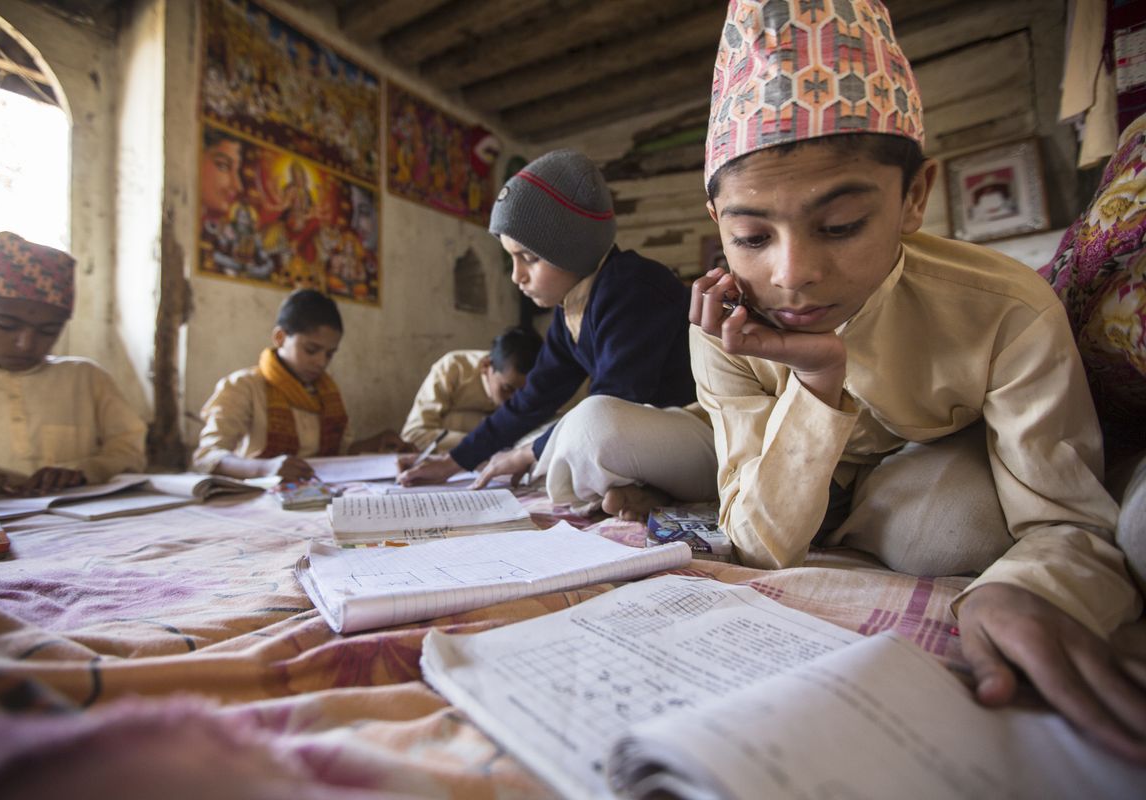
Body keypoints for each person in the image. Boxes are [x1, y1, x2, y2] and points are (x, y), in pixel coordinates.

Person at [689, 0, 1145, 763]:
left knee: (959, 524)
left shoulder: (1005, 309)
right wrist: (816, 377)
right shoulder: (723, 320)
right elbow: (759, 544)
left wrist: (1032, 588)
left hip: (918, 466)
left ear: (914, 198)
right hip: (788, 459)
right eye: (750, 235)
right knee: (605, 430)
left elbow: (1066, 517)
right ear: (718, 223)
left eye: (840, 226)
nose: (792, 275)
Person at [398, 149, 716, 516]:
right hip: (652, 450)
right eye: (512, 259)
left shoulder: (633, 286)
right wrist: (453, 461)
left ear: (572, 250)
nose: (516, 276)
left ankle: (665, 491)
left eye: (529, 258)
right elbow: (531, 400)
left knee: (590, 423)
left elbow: (618, 398)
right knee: (543, 435)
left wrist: (525, 454)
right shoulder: (570, 311)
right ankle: (653, 493)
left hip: (704, 437)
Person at [0, 232, 147, 504]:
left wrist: (84, 471)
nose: (25, 344)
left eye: (48, 330)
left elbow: (130, 452)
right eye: (6, 325)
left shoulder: (86, 378)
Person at [192, 288, 408, 481]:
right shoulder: (244, 386)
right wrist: (264, 469)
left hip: (318, 492)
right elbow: (207, 456)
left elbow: (336, 454)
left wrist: (377, 442)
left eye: (330, 354)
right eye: (311, 350)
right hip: (259, 497)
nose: (321, 362)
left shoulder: (326, 392)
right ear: (280, 337)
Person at [400, 326, 542, 454]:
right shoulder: (453, 368)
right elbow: (413, 435)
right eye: (507, 389)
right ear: (486, 366)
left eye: (524, 392)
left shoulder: (543, 382)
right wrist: (482, 443)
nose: (515, 399)